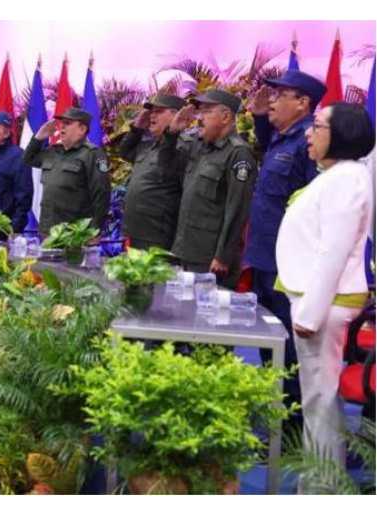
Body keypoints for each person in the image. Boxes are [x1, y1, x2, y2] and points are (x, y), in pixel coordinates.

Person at [275, 103, 374, 489]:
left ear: (342, 135)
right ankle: (319, 485)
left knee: (320, 402)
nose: (308, 133)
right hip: (319, 301)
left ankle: (322, 489)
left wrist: (310, 314)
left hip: (324, 305)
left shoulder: (346, 179)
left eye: (317, 126)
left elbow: (333, 251)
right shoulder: (339, 176)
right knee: (318, 399)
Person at [244, 70, 328, 430]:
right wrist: (260, 117)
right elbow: (267, 143)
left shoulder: (309, 142)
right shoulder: (283, 137)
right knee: (270, 345)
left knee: (290, 352)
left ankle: (291, 431)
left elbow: (315, 207)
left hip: (289, 267)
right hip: (265, 258)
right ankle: (276, 420)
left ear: (303, 102)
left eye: (281, 95)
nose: (272, 100)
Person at [159, 90, 257, 287]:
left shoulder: (238, 153)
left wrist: (223, 256)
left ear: (225, 117)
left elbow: (237, 209)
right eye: (199, 112)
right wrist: (171, 134)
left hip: (211, 257)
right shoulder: (200, 147)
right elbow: (166, 169)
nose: (199, 118)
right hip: (186, 248)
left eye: (206, 112)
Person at [22, 107, 111, 236]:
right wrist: (39, 137)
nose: (62, 126)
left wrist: (95, 230)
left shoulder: (92, 154)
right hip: (48, 230)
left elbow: (101, 194)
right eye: (61, 123)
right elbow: (28, 159)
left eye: (68, 123)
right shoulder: (53, 151)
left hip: (73, 233)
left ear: (82, 129)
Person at [119, 94, 185, 250]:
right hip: (135, 229)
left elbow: (168, 168)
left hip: (157, 233)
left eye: (159, 111)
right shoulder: (148, 145)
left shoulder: (183, 146)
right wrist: (137, 129)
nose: (152, 115)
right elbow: (124, 152)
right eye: (151, 112)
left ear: (176, 115)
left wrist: (172, 134)